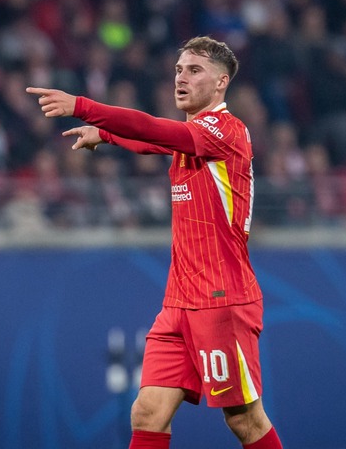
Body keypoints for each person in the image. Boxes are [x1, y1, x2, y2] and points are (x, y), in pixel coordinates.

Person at [27, 36, 283, 449]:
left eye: (194, 70)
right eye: (178, 70)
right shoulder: (192, 134)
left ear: (221, 83)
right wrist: (106, 136)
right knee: (148, 411)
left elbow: (153, 130)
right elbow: (156, 141)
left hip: (221, 299)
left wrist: (84, 107)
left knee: (245, 421)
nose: (181, 78)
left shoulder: (226, 130)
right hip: (179, 302)